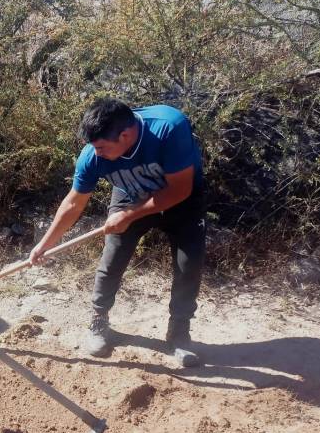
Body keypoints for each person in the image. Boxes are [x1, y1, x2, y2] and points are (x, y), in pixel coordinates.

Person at [30, 98, 206, 367]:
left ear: (125, 135)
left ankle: (179, 332)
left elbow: (179, 190)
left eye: (101, 147)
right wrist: (44, 244)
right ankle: (99, 321)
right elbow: (74, 203)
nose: (95, 153)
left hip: (181, 197)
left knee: (188, 265)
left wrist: (129, 215)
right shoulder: (92, 156)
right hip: (130, 194)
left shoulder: (169, 128)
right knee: (113, 258)